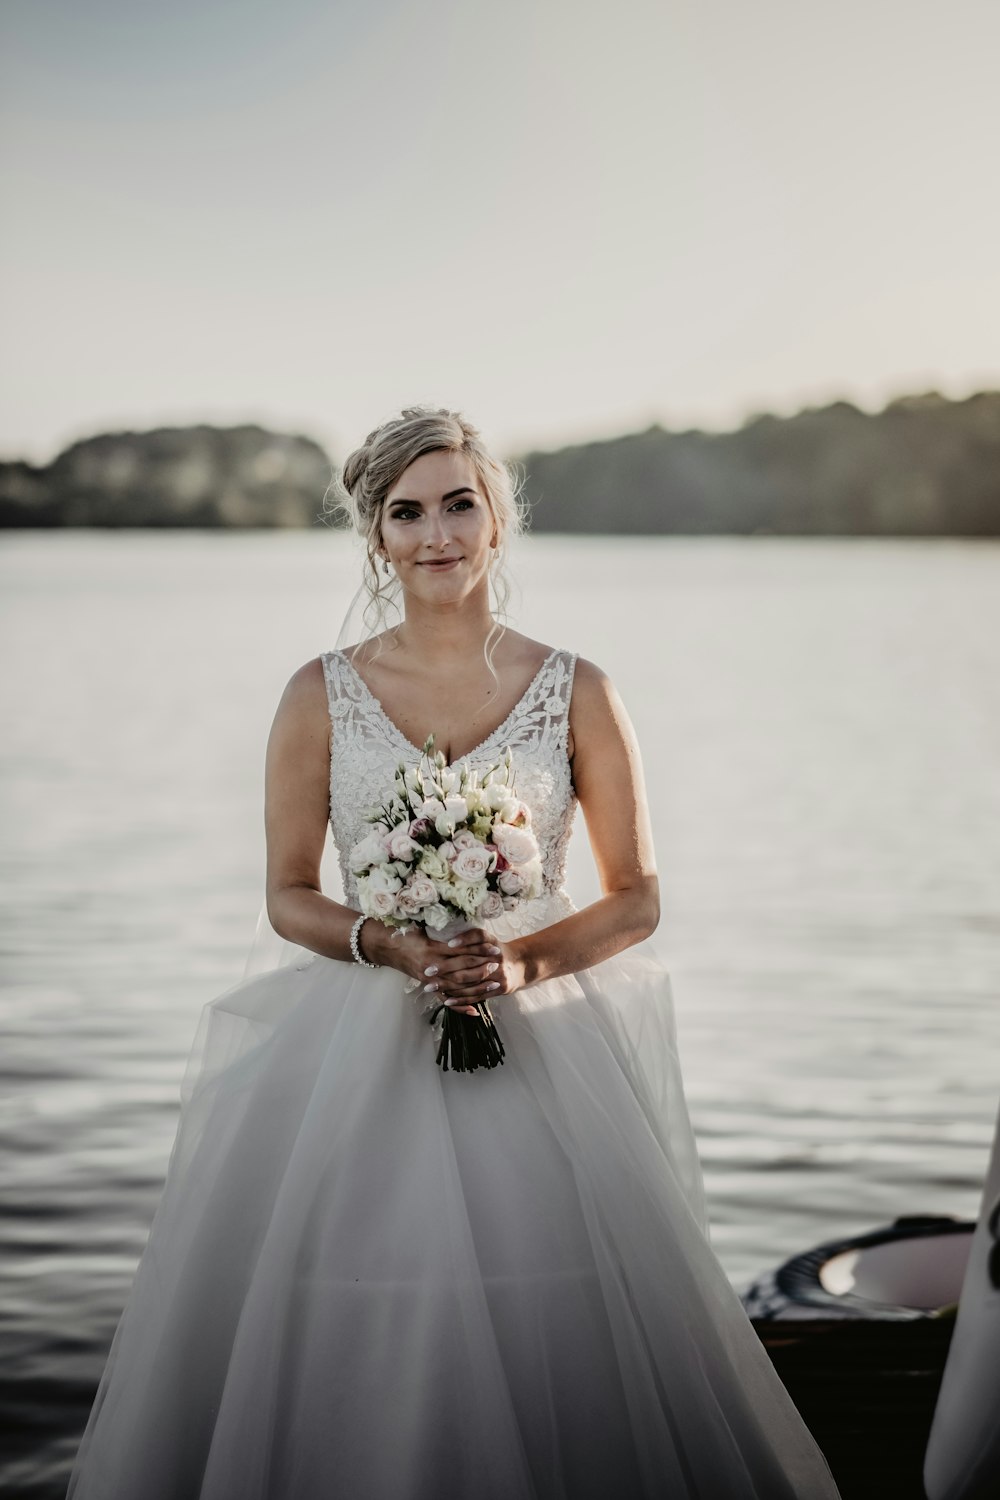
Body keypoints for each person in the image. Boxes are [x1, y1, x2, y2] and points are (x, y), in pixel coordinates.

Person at [67, 407, 841, 1498]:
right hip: (357, 1045)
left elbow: (636, 901)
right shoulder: (317, 693)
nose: (436, 533)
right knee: (356, 1307)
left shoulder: (579, 688)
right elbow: (289, 894)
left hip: (545, 1050)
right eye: (406, 511)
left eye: (458, 504)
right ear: (376, 536)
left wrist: (518, 966)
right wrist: (382, 941)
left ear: (498, 521)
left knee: (561, 1314)